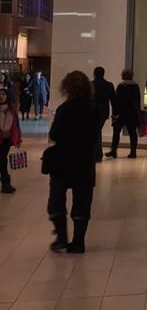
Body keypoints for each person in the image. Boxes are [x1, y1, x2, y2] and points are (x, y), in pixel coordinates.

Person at [46, 70, 100, 253]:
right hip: (85, 162)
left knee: (56, 199)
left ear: (67, 87)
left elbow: (54, 135)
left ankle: (61, 237)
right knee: (82, 201)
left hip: (62, 161)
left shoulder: (64, 109)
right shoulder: (95, 110)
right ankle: (78, 242)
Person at [106, 68, 142, 158]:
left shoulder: (120, 86)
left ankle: (114, 151)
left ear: (123, 76)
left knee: (116, 132)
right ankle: (133, 152)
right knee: (132, 133)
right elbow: (138, 100)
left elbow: (117, 101)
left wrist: (115, 113)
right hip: (132, 113)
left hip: (121, 113)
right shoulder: (135, 86)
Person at [92, 66, 116, 162]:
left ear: (94, 74)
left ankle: (97, 154)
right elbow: (113, 100)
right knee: (97, 130)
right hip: (104, 111)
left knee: (96, 131)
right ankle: (98, 154)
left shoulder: (91, 84)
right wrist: (115, 113)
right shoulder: (109, 85)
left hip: (93, 110)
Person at [0, 87, 21, 194]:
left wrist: (18, 140)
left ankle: (6, 185)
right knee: (2, 161)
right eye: (0, 94)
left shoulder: (12, 110)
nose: (1, 96)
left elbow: (16, 126)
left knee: (2, 161)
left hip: (6, 140)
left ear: (7, 96)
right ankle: (6, 185)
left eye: (3, 94)